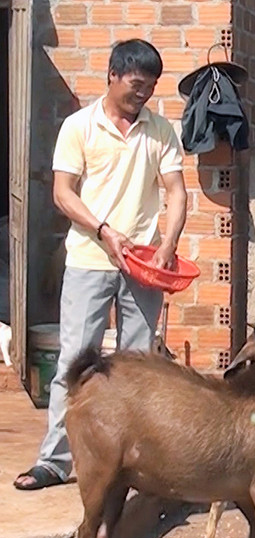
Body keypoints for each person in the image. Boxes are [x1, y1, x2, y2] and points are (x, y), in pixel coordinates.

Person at [14, 39, 187, 490]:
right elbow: (63, 193)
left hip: (143, 266)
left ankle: (132, 465)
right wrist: (105, 231)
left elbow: (176, 191)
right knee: (75, 362)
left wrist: (167, 243)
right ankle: (55, 461)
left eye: (149, 87)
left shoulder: (161, 131)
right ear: (112, 75)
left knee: (136, 367)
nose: (142, 94)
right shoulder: (78, 127)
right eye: (135, 85)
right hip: (90, 259)